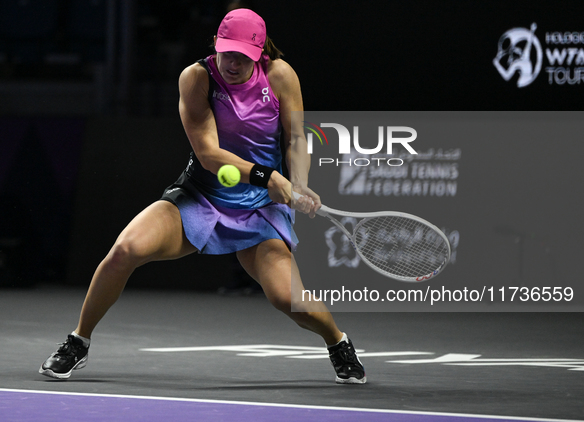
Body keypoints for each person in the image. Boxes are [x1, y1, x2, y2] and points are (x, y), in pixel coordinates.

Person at [39, 8, 366, 385]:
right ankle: (78, 341)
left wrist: (301, 182)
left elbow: (295, 138)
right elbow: (209, 154)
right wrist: (268, 176)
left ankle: (337, 342)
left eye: (243, 55)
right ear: (216, 44)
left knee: (288, 300)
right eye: (227, 52)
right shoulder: (196, 78)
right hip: (200, 197)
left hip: (259, 211)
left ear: (259, 52)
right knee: (125, 250)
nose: (233, 62)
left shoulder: (280, 75)